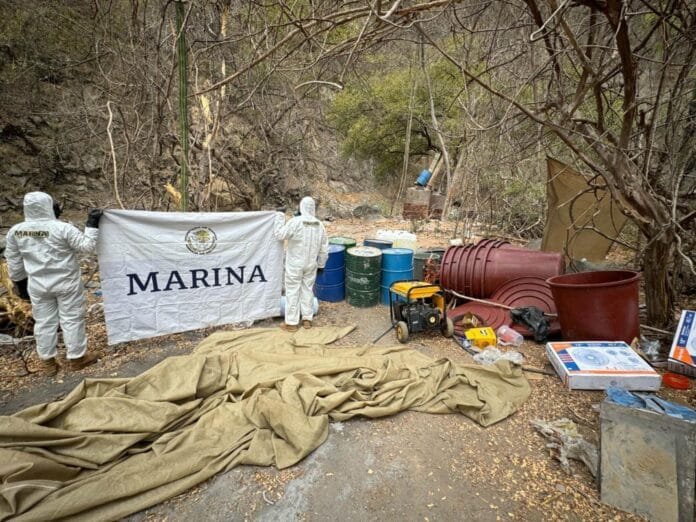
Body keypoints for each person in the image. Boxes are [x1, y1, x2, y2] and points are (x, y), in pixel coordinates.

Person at [4, 192, 103, 374]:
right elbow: (87, 247)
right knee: (71, 319)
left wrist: (19, 285)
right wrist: (92, 223)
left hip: (37, 285)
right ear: (48, 206)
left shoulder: (16, 232)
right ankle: (77, 358)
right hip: (66, 282)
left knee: (43, 322)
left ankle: (48, 363)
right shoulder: (62, 228)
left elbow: (14, 263)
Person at [274, 196, 328, 331]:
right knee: (307, 290)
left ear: (301, 207)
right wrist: (321, 265)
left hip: (295, 264)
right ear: (313, 209)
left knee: (292, 291)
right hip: (311, 264)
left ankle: (291, 323)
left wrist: (279, 215)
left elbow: (280, 235)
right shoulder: (319, 225)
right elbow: (324, 248)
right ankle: (307, 319)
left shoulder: (295, 222)